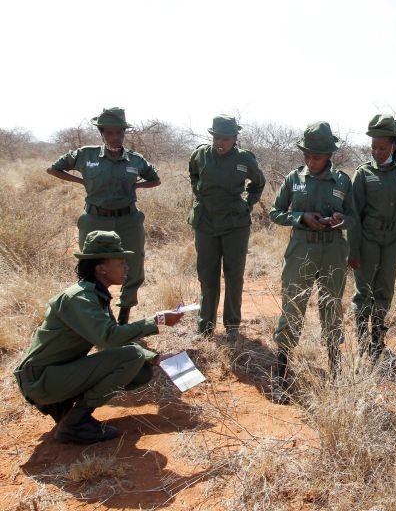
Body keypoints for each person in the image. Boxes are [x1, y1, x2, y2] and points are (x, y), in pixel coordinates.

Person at [13, 231, 184, 444]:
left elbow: (112, 339)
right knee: (132, 357)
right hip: (39, 380)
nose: (126, 267)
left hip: (51, 375)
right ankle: (75, 423)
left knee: (141, 368)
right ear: (101, 268)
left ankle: (63, 406)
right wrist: (157, 320)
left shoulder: (94, 294)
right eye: (120, 262)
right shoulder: (79, 298)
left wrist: (155, 358)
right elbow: (109, 338)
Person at [269, 121, 358, 401]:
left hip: (332, 251)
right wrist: (301, 217)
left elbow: (354, 218)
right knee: (292, 307)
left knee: (332, 308)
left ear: (329, 155)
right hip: (300, 250)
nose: (310, 160)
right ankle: (280, 377)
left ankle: (335, 375)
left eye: (316, 156)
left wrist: (340, 220)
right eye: (306, 155)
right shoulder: (294, 179)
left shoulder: (343, 181)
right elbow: (275, 212)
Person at [47, 107, 161, 325]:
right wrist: (81, 182)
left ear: (124, 133)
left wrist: (136, 186)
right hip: (95, 219)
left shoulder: (135, 160)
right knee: (91, 266)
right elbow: (54, 169)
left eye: (119, 132)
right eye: (109, 133)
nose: (115, 137)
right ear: (102, 133)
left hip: (128, 220)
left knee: (133, 266)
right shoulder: (85, 155)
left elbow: (155, 179)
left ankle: (124, 317)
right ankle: (98, 316)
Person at [188, 115, 266, 338]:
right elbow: (193, 173)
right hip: (206, 221)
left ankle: (232, 325)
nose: (219, 143)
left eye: (225, 138)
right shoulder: (200, 155)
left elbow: (258, 183)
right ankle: (205, 327)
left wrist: (247, 204)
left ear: (235, 138)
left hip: (234, 223)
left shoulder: (245, 160)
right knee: (207, 274)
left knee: (234, 275)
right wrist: (199, 192)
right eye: (216, 138)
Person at [350, 114, 396, 366]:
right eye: (373, 147)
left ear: (394, 146)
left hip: (392, 241)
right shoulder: (363, 174)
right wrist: (352, 251)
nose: (377, 152)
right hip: (367, 239)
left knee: (384, 292)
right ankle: (362, 343)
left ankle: (377, 344)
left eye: (382, 147)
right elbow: (354, 215)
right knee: (363, 292)